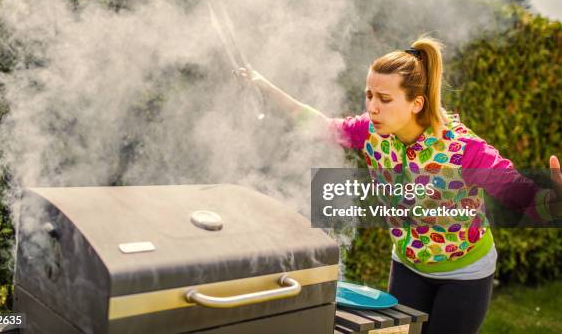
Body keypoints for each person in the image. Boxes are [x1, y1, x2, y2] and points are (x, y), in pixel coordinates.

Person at [236, 36, 561, 334]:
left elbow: (519, 194)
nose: (372, 106)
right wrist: (265, 86)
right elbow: (323, 126)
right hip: (407, 264)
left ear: (416, 103)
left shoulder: (463, 150)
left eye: (385, 98)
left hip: (464, 275)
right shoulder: (370, 132)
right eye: (369, 95)